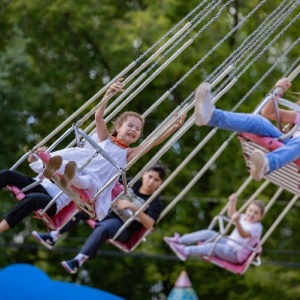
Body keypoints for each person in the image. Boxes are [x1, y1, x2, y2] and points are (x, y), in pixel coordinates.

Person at [33, 78, 185, 221]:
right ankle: (59, 167)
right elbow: (98, 117)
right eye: (130, 126)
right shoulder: (105, 139)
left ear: (139, 135)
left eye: (138, 129)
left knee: (87, 182)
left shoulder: (129, 153)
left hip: (97, 183)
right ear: (118, 127)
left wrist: (173, 128)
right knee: (74, 166)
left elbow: (153, 142)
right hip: (84, 168)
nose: (134, 130)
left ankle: (70, 175)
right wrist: (108, 94)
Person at [33, 162, 166, 273]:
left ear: (160, 183)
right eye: (150, 177)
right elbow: (110, 188)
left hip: (123, 226)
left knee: (103, 228)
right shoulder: (132, 183)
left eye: (156, 180)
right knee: (83, 207)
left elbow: (150, 224)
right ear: (144, 175)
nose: (151, 182)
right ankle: (54, 236)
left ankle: (78, 260)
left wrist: (134, 207)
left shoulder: (155, 202)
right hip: (109, 213)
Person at [194, 77, 298, 181]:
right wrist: (279, 91)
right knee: (259, 122)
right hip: (290, 145)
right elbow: (268, 112)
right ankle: (211, 116)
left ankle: (268, 164)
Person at [164, 193, 264, 263]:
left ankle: (186, 251)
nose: (251, 214)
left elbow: (244, 234)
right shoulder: (243, 217)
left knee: (213, 246)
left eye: (256, 213)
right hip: (229, 243)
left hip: (236, 253)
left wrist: (237, 222)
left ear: (261, 216)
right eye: (250, 210)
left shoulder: (257, 227)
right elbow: (231, 214)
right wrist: (232, 202)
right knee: (207, 233)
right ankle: (180, 240)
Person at [0, 147, 72, 234]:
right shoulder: (69, 154)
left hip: (52, 200)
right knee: (6, 174)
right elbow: (32, 160)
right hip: (38, 184)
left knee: (32, 198)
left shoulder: (86, 171)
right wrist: (40, 153)